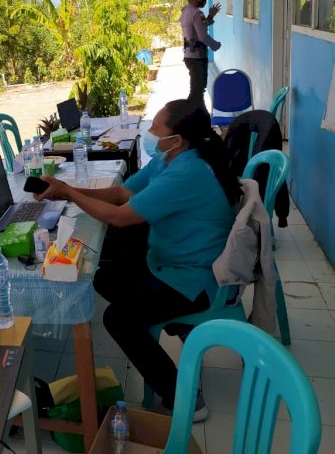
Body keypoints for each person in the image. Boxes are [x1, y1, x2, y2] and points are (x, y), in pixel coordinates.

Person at [34, 99, 240, 420]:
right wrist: (66, 190)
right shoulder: (172, 158)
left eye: (157, 128)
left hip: (194, 280)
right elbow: (120, 194)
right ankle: (169, 322)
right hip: (168, 263)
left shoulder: (189, 171)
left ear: (179, 138)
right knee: (103, 276)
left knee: (119, 319)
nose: (150, 132)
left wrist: (70, 194)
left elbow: (119, 217)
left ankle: (185, 399)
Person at [180, 0, 222, 108]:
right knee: (197, 92)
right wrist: (215, 45)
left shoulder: (186, 11)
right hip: (197, 56)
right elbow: (203, 36)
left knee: (197, 90)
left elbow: (200, 26)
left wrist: (211, 16)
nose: (204, 0)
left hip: (189, 56)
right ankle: (193, 117)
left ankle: (196, 115)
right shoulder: (197, 13)